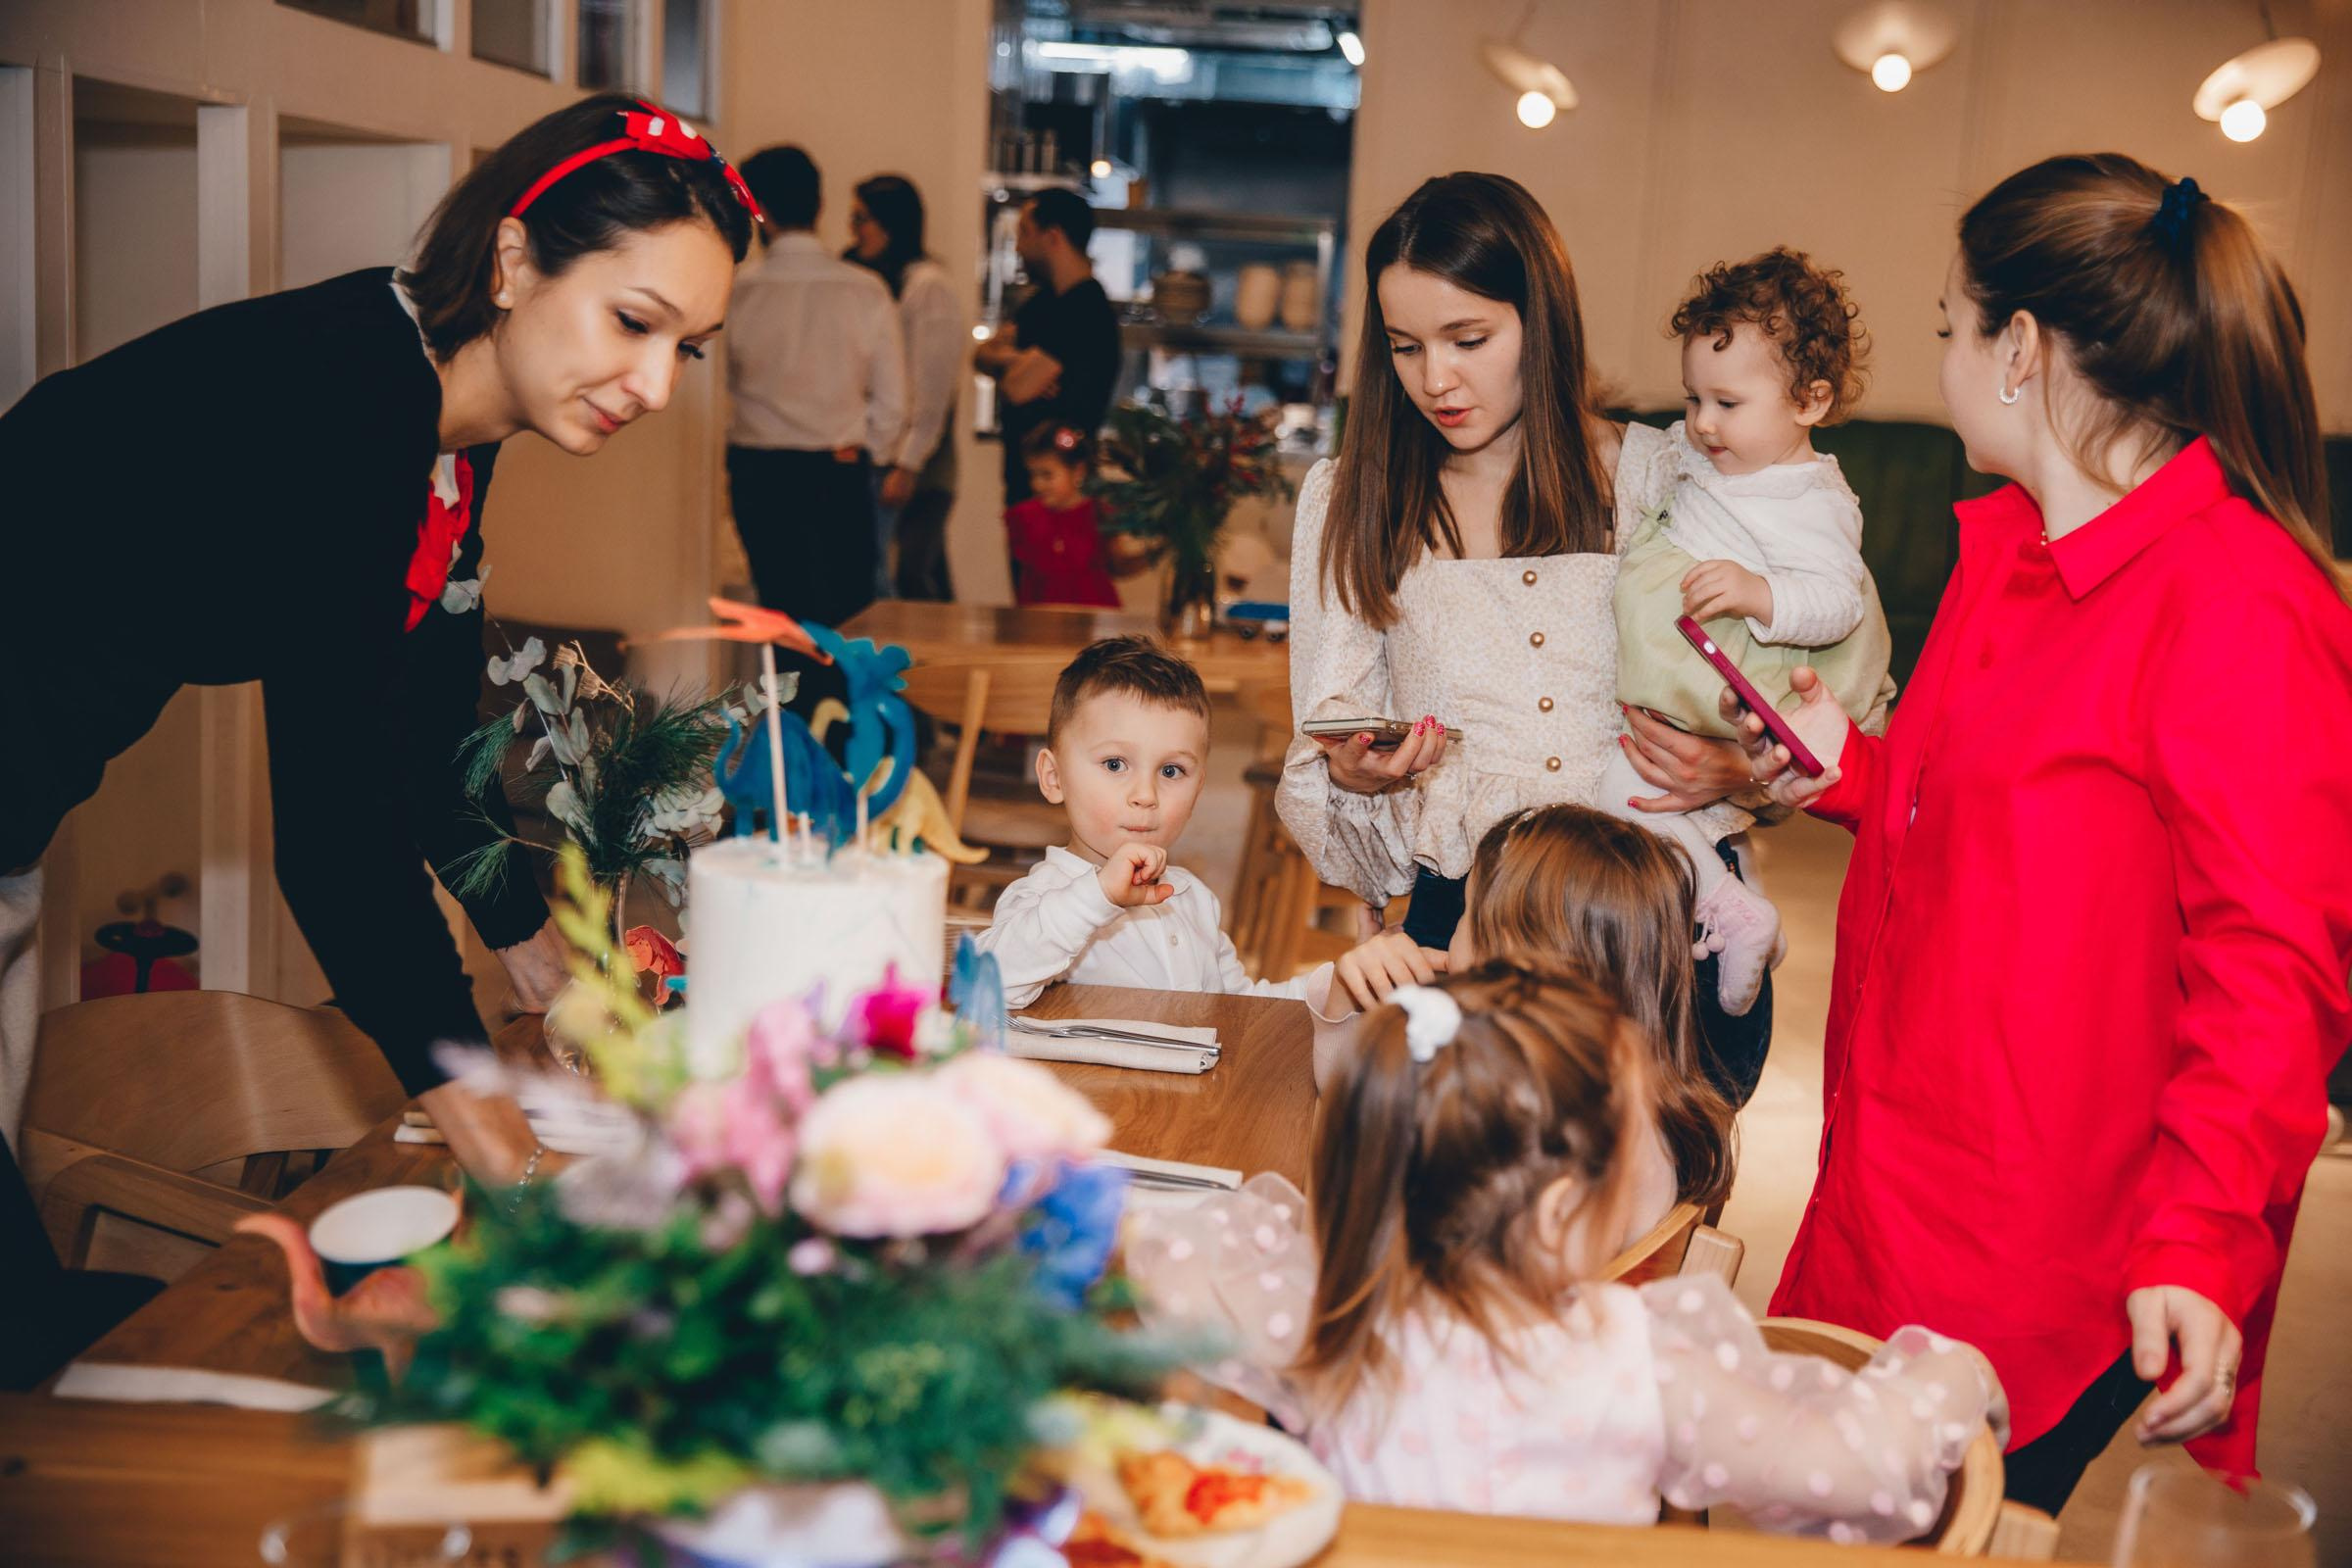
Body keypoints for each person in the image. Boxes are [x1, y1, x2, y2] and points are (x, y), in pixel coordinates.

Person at [1733, 155, 2352, 1508]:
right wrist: (1841, 771)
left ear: (2020, 348)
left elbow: (2275, 969)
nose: (1945, 356)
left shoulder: (2236, 600)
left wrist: (2198, 1237)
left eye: (1952, 327)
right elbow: (1989, 820)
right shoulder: (2012, 549)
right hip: (1896, 1175)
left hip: (2039, 1247)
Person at [0, 94, 759, 1181]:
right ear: (513, 260)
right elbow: (338, 837)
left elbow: (431, 760)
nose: (654, 385)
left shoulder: (442, 432)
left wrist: (557, 982)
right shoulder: (344, 397)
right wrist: (502, 1142)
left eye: (688, 347)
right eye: (634, 322)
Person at [1128, 964, 2004, 1540]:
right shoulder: (1636, 1363)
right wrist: (1955, 1373)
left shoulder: (1327, 1313)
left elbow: (1163, 1252)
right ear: (1556, 1215)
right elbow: (1859, 1467)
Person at [1277, 172, 1773, 1091]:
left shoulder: (1662, 473)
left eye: (1469, 339)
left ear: (1539, 322)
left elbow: (1803, 691)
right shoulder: (1353, 499)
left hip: (1657, 921)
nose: (1436, 379)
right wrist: (1355, 774)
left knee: (1652, 1211)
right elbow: (1329, 745)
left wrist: (1740, 769)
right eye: (1404, 347)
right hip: (1461, 924)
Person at [1596, 248, 1892, 1016]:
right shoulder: (1712, 454)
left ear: (1810, 401)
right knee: (1655, 801)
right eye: (1694, 399)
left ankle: (1730, 907)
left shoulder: (1810, 499)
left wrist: (1762, 594)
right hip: (1686, 673)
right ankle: (1737, 885)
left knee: (1616, 792)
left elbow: (1838, 601)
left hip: (1726, 676)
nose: (1702, 423)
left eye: (1727, 403)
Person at [1324, 804, 1742, 1214]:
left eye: (1466, 914)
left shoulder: (1502, 1118)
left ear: (1508, 955)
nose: (1451, 935)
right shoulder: (1621, 1102)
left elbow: (1343, 1168)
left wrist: (1371, 1019)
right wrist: (1353, 993)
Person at [977, 637, 1341, 1012]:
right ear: (1054, 778)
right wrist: (1099, 896)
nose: (1146, 794)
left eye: (1171, 771)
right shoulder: (1043, 897)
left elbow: (1235, 1010)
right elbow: (990, 985)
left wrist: (1337, 986)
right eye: (1115, 764)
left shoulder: (1190, 897)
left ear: (1198, 787)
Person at [725, 145, 906, 657]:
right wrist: (864, 448)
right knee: (848, 618)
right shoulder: (865, 289)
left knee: (781, 616)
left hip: (759, 471)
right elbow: (894, 400)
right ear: (820, 205)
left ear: (757, 209)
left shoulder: (737, 290)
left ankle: (792, 731)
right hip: (838, 469)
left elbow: (718, 384)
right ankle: (842, 732)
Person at [845, 173, 962, 601]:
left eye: (862, 219)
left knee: (905, 583)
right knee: (909, 579)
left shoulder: (929, 285)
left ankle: (912, 669)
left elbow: (933, 385)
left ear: (891, 223)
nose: (854, 231)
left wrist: (908, 464)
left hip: (915, 463)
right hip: (887, 455)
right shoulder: (885, 281)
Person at [974, 188, 1119, 506]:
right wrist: (1023, 360)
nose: (1020, 247)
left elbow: (1016, 387)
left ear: (1052, 237)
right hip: (1024, 484)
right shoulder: (1041, 303)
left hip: (1062, 493)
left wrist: (1011, 365)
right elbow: (981, 356)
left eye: (1025, 233)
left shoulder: (1085, 308)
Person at [1004, 424, 1120, 608]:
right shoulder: (1024, 516)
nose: (1037, 484)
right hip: (1041, 617)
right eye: (1033, 475)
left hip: (1091, 614)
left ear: (1078, 471)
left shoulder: (1099, 514)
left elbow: (1116, 564)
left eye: (1047, 475)